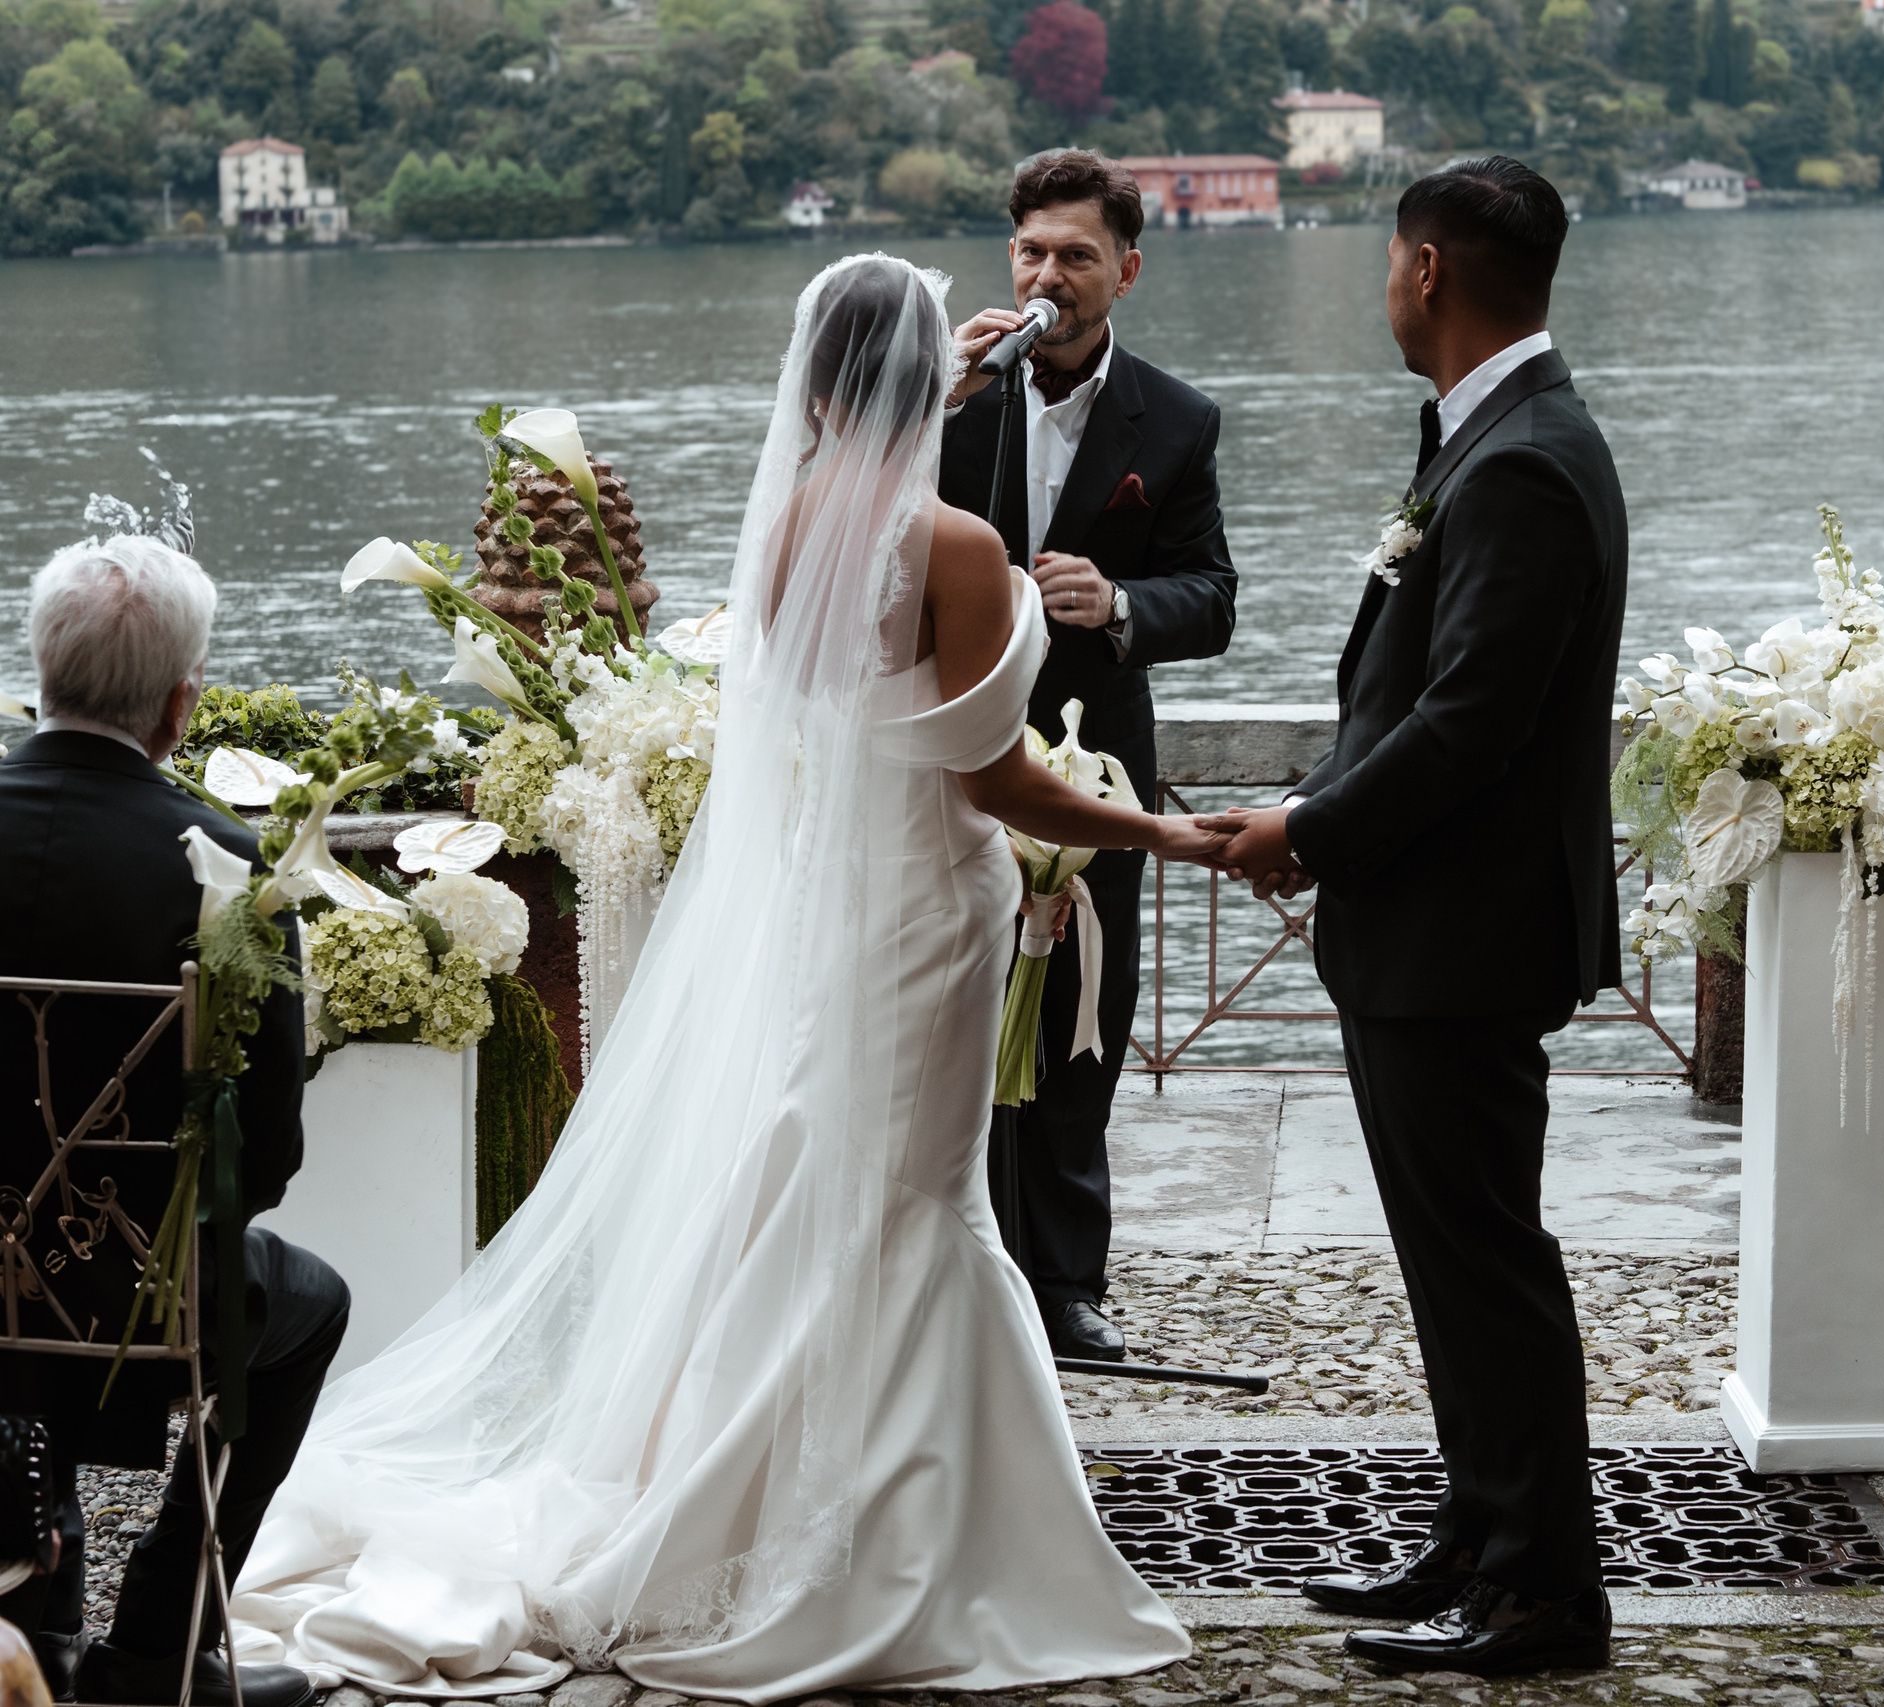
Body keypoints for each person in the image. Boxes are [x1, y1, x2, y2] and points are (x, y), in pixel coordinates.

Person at [228, 256, 1232, 1701]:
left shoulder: (786, 527)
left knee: (831, 1186)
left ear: (814, 384)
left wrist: (913, 393)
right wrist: (1153, 825)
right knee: (910, 1204)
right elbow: (995, 767)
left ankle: (750, 1493)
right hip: (932, 916)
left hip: (835, 917)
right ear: (918, 386)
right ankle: (895, 1538)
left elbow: (853, 709)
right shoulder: (953, 546)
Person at [1207, 157, 1627, 1676]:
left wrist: (1308, 827)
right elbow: (1416, 696)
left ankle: (1543, 1599)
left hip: (1463, 937)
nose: (1386, 284)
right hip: (1435, 930)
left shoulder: (1521, 458)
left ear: (1430, 269)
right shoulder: (1495, 434)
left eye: (1390, 260)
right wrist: (1323, 797)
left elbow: (1468, 722)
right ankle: (1477, 1531)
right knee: (1456, 1260)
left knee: (1488, 1263)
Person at [0, 539, 345, 1707]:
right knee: (305, 1304)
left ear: (38, 667)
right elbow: (273, 1156)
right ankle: (152, 1652)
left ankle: (30, 1612)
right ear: (180, 705)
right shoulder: (226, 871)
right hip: (133, 1291)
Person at [940, 149, 1238, 1363]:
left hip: (1091, 768)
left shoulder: (1173, 419)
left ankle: (1063, 1286)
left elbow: (1211, 599)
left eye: (1073, 254)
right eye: (1029, 251)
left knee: (1080, 1021)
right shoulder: (948, 395)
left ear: (1126, 268)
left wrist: (1118, 605)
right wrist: (931, 399)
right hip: (950, 759)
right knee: (949, 1010)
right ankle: (957, 1266)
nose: (1047, 274)